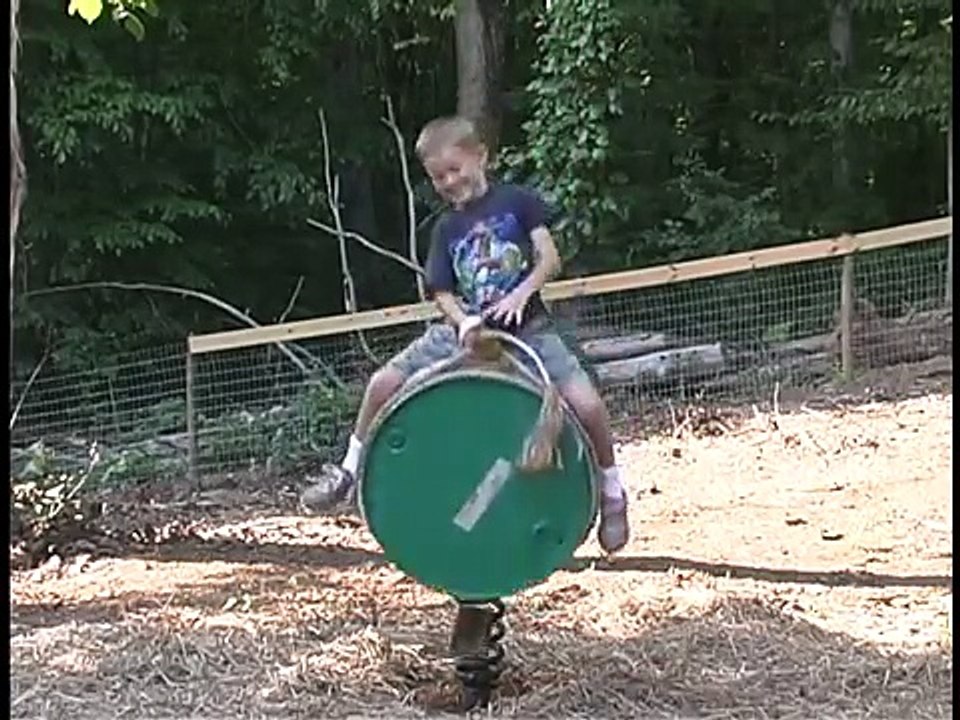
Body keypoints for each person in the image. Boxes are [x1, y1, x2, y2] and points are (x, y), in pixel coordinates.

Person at [301, 115, 630, 554]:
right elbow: (441, 290)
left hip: (529, 330)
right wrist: (463, 322)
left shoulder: (517, 202)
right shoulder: (446, 229)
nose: (448, 182)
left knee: (587, 403)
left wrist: (521, 294)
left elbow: (549, 257)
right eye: (438, 177)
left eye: (455, 170)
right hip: (466, 331)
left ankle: (612, 492)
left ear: (481, 157)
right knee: (383, 383)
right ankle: (349, 470)